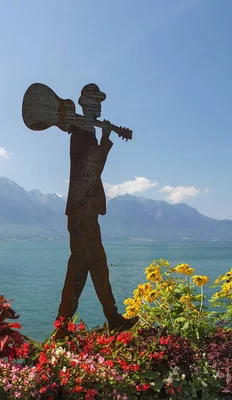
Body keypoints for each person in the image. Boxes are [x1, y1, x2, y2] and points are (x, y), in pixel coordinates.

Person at [57, 84, 138, 332]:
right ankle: (106, 320)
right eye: (95, 103)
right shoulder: (82, 133)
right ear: (84, 105)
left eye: (100, 103)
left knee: (83, 269)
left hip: (84, 210)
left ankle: (65, 327)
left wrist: (102, 139)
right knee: (90, 267)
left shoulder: (85, 131)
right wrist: (105, 141)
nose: (99, 107)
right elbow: (91, 170)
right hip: (83, 210)